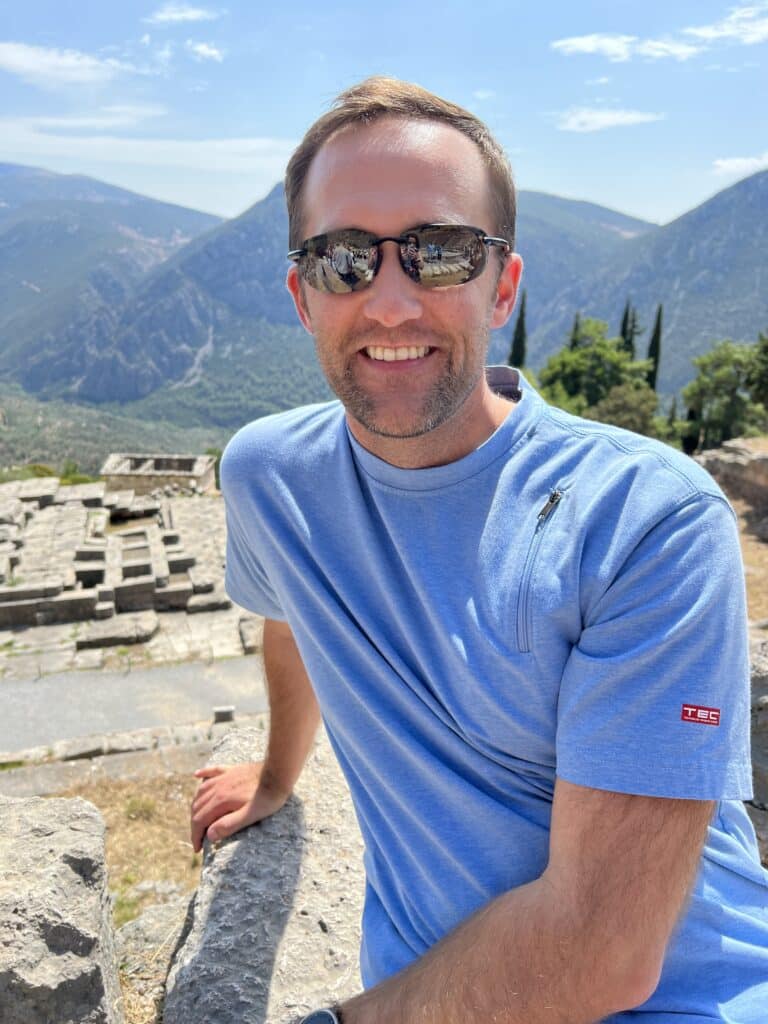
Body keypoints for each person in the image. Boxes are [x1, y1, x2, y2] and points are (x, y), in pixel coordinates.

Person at [191, 77, 768, 1023]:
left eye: (440, 253)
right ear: (302, 297)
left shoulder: (645, 519)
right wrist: (273, 777)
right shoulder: (269, 477)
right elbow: (290, 623)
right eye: (344, 260)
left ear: (502, 284)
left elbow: (602, 952)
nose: (388, 303)